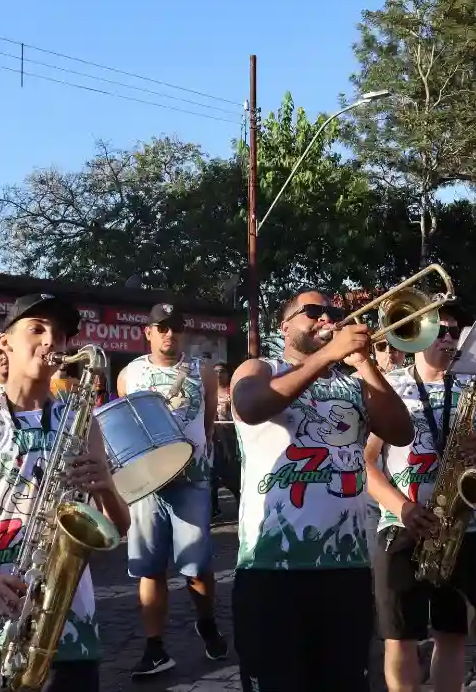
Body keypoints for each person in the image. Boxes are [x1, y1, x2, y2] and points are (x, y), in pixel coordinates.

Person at [0, 293, 132, 692]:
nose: (51, 340)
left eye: (61, 334)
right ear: (4, 342)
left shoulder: (84, 424)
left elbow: (118, 526)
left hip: (68, 622)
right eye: (36, 329)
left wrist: (105, 486)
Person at [229, 288, 413, 692]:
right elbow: (250, 405)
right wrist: (326, 357)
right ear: (286, 325)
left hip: (345, 569)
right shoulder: (260, 367)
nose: (326, 319)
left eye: (332, 312)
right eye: (313, 312)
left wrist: (364, 364)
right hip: (271, 570)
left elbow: (401, 432)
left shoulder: (352, 384)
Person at [368, 307, 476, 692]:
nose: (449, 338)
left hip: (464, 524)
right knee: (400, 638)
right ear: (416, 336)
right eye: (440, 331)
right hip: (402, 523)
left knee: (453, 635)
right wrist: (403, 507)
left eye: (453, 332)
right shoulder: (389, 385)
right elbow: (365, 463)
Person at [117, 303, 227, 674]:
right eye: (161, 327)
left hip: (191, 478)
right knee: (150, 569)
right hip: (147, 483)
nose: (169, 333)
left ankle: (207, 623)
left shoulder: (203, 371)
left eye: (175, 327)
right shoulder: (130, 374)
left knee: (197, 565)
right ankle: (155, 648)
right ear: (147, 332)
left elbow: (209, 420)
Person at [211, 361, 240, 519]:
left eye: (222, 371)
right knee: (212, 475)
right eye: (215, 372)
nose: (218, 374)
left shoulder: (233, 391)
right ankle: (214, 509)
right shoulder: (208, 392)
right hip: (213, 437)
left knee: (233, 474)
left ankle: (241, 504)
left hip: (231, 436)